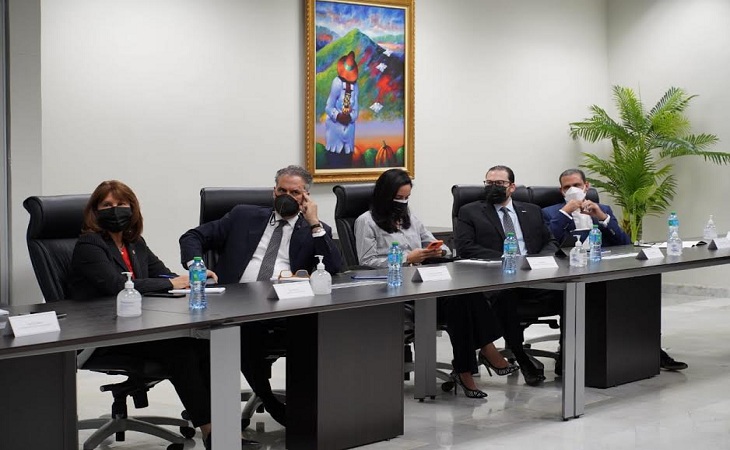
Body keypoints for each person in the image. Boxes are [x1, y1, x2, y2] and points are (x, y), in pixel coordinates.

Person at [67, 180, 257, 449]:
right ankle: (212, 433)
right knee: (181, 351)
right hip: (102, 336)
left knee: (206, 346)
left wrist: (191, 278)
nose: (115, 210)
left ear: (132, 208)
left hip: (136, 328)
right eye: (107, 205)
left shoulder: (134, 242)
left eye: (121, 204)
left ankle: (227, 431)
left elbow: (163, 274)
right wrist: (172, 283)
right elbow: (116, 286)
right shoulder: (89, 245)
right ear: (94, 211)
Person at [179, 165, 342, 426]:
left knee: (295, 331)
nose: (287, 196)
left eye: (295, 192)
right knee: (241, 328)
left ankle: (305, 407)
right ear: (273, 192)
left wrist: (313, 222)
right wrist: (196, 265)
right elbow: (192, 236)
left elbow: (333, 268)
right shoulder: (243, 216)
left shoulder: (315, 229)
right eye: (282, 190)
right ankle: (270, 402)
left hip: (281, 305)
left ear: (306, 196)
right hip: (232, 301)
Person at [355, 169, 518, 398]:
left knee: (464, 295)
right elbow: (367, 261)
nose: (403, 202)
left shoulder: (409, 218)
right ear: (384, 195)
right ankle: (480, 357)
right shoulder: (366, 221)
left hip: (425, 283)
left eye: (406, 197)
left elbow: (437, 244)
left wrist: (438, 250)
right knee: (460, 303)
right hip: (395, 288)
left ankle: (467, 368)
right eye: (398, 198)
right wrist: (406, 258)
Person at [542, 168, 688, 371]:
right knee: (575, 298)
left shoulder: (603, 209)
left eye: (577, 185)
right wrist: (565, 212)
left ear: (586, 186)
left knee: (640, 292)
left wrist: (603, 218)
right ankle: (566, 356)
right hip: (570, 274)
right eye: (567, 187)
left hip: (604, 270)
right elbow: (546, 242)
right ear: (561, 191)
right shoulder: (550, 213)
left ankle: (653, 351)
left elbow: (624, 243)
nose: (572, 190)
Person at [454, 165, 560, 386]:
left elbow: (550, 241)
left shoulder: (531, 210)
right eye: (489, 183)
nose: (493, 187)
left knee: (571, 294)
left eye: (499, 183)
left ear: (511, 187)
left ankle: (568, 357)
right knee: (506, 296)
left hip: (535, 276)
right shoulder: (470, 211)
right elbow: (466, 248)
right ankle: (521, 357)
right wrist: (508, 260)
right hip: (497, 279)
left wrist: (536, 262)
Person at [324, 51, 359, 169]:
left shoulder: (355, 86)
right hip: (335, 134)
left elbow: (356, 110)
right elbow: (328, 107)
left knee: (347, 163)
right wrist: (338, 116)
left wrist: (349, 117)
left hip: (348, 135)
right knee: (334, 162)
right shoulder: (337, 83)